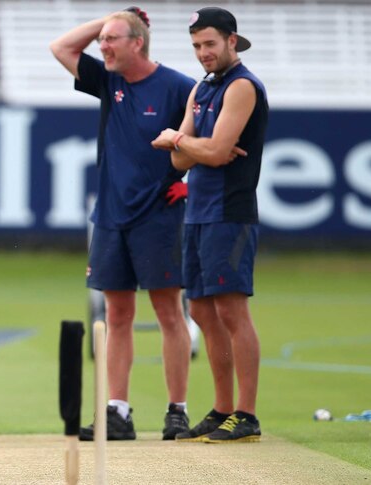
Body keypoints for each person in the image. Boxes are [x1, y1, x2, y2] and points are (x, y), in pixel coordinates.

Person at [50, 7, 195, 441]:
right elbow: (61, 47)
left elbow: (209, 141)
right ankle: (118, 411)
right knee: (117, 315)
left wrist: (193, 183)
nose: (103, 46)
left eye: (113, 39)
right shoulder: (108, 79)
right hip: (112, 217)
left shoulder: (178, 87)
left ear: (139, 42)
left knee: (170, 313)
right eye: (102, 40)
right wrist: (111, 18)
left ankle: (177, 411)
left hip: (160, 216)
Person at [151, 6, 268, 443]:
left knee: (232, 309)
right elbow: (179, 160)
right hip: (199, 210)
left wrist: (180, 138)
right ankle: (222, 409)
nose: (203, 53)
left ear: (232, 41)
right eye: (197, 45)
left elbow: (212, 151)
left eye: (210, 44)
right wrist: (189, 145)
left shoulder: (242, 86)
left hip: (230, 211)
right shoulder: (202, 88)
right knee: (200, 309)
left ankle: (248, 414)